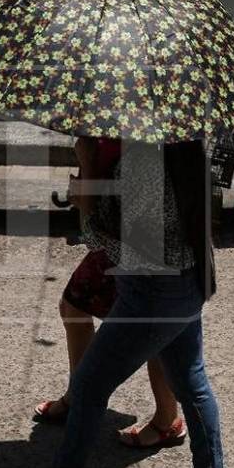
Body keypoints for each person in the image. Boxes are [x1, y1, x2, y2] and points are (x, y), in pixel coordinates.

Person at [6, 140, 226, 468]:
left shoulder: (142, 166)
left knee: (90, 384)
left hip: (152, 293)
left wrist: (88, 170)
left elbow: (98, 240)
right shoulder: (184, 149)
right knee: (191, 382)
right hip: (185, 281)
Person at [34, 136, 185, 449]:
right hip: (132, 239)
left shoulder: (140, 143)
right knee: (75, 307)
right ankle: (83, 396)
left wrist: (87, 168)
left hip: (130, 243)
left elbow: (93, 234)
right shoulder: (108, 128)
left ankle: (164, 418)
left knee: (152, 329)